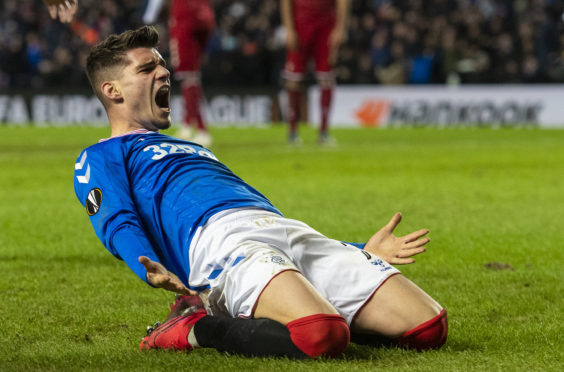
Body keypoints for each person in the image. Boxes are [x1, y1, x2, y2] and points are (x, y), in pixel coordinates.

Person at [75, 26, 447, 358]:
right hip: (222, 245)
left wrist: (358, 249)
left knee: (427, 328)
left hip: (284, 229)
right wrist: (143, 261)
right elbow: (115, 218)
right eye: (147, 68)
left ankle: (306, 302)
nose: (164, 71)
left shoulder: (194, 148)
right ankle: (194, 328)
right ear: (112, 90)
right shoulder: (101, 155)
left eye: (160, 64)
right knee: (320, 335)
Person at [143, 0, 215, 147]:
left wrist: (149, 17)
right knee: (192, 77)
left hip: (184, 18)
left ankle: (202, 130)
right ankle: (187, 125)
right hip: (203, 14)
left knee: (188, 77)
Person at [281, 0, 349, 145]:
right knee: (294, 79)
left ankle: (323, 132)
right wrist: (289, 29)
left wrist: (340, 28)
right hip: (300, 24)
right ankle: (293, 132)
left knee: (326, 77)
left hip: (326, 26)